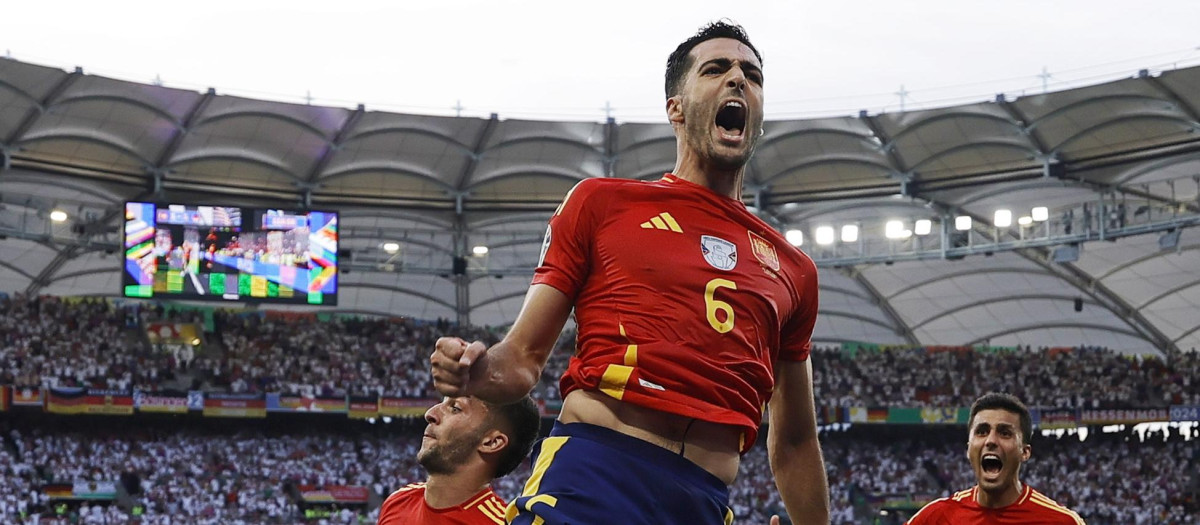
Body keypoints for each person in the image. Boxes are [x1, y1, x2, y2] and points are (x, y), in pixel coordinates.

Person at [431, 20, 828, 525]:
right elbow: (522, 361)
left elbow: (794, 441)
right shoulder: (603, 204)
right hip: (594, 474)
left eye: (752, 74)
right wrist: (476, 371)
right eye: (716, 69)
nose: (738, 80)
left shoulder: (794, 269)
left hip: (704, 502)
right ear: (676, 108)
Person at [905, 393, 1085, 525]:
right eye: (982, 432)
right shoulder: (935, 517)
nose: (991, 440)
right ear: (969, 448)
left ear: (1025, 452)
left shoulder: (1061, 521)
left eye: (1005, 433)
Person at [377, 396, 540, 525]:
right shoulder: (398, 501)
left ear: (491, 442)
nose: (430, 413)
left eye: (455, 408)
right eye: (442, 401)